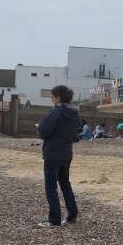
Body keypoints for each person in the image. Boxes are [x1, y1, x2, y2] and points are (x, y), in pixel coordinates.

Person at [37, 85, 79, 228]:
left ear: (58, 98)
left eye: (53, 97)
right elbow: (75, 135)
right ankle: (72, 215)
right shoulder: (74, 113)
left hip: (53, 153)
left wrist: (39, 127)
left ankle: (54, 220)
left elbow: (43, 131)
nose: (52, 99)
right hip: (66, 153)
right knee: (65, 184)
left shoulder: (57, 112)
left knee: (51, 187)